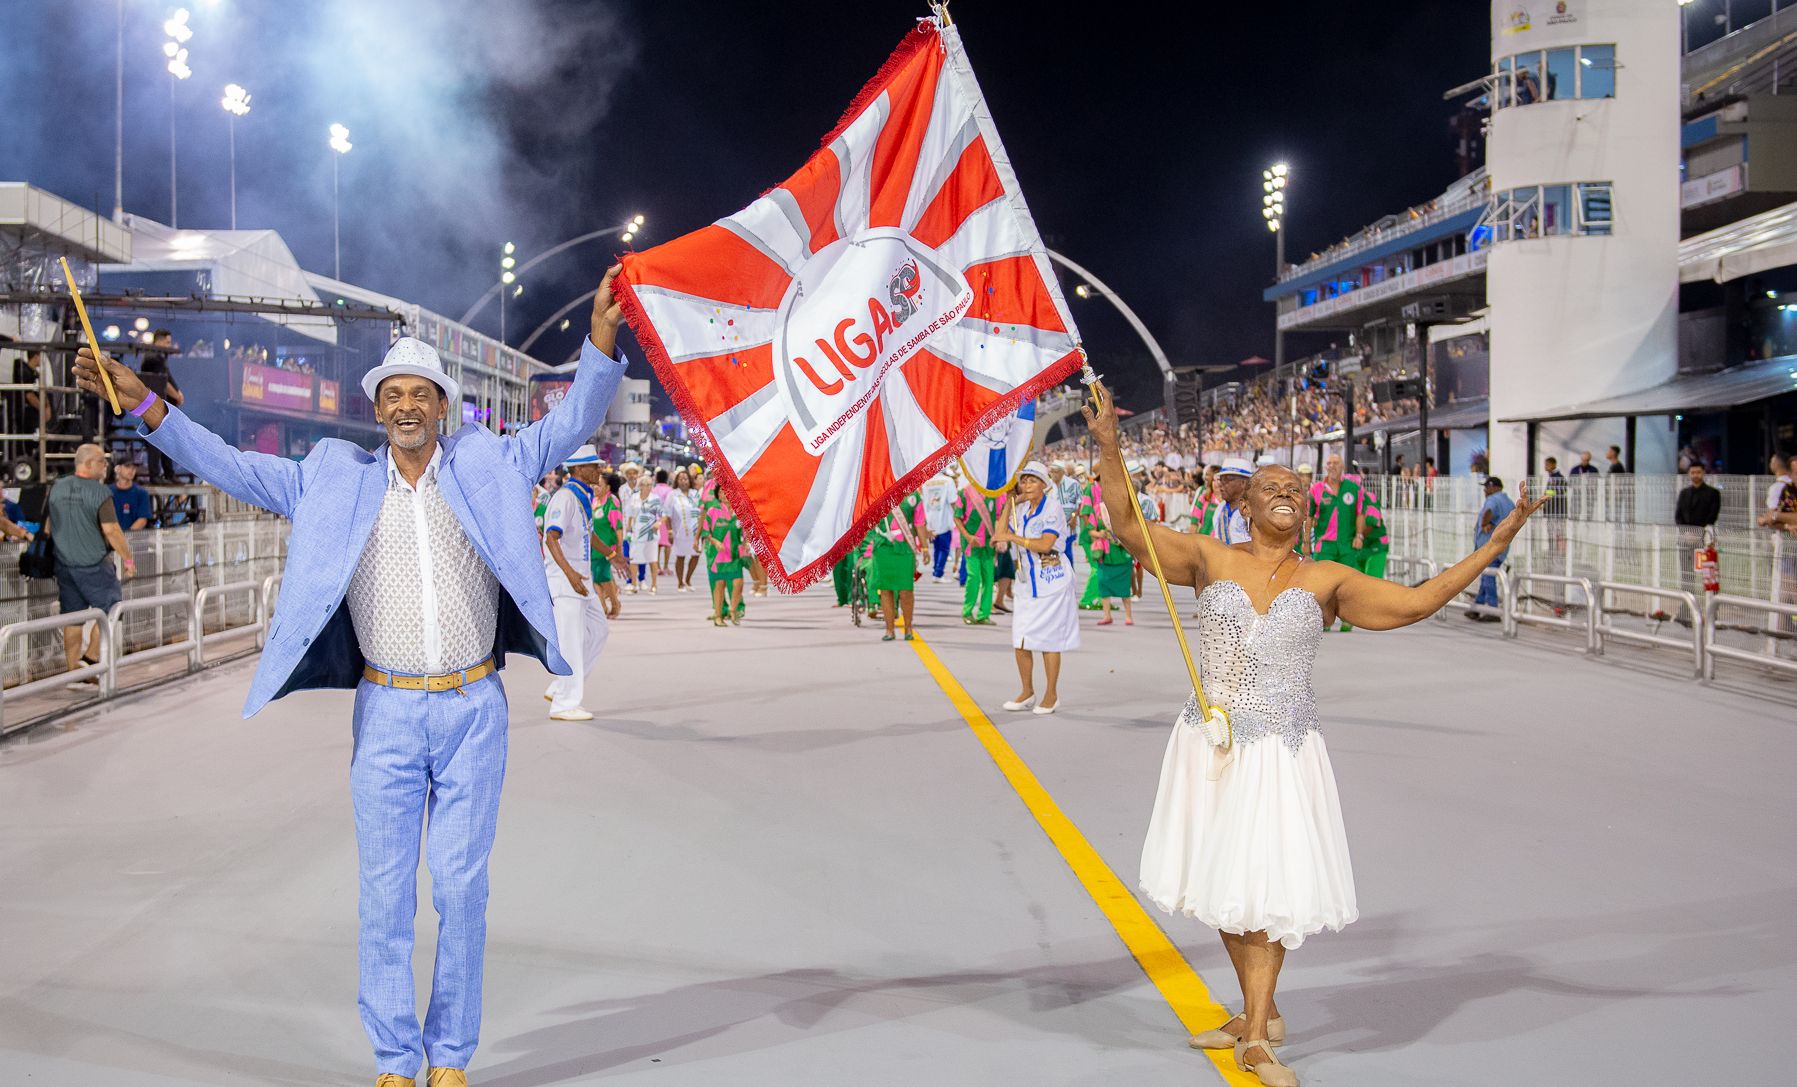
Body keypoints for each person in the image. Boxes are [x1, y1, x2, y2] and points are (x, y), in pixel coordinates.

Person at [74, 267, 628, 1087]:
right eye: (392, 394)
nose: (407, 405)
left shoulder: (493, 464)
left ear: (443, 405)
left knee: (464, 890)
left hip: (475, 706)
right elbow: (225, 463)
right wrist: (146, 406)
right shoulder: (331, 478)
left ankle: (450, 1056)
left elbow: (573, 417)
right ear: (378, 409)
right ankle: (397, 1060)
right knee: (384, 898)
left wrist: (602, 344)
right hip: (388, 711)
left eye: (421, 393)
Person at [1079, 380, 1545, 1087]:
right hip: (1208, 747)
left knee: (1265, 890)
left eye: (1296, 486)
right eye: (1271, 483)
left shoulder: (1328, 578)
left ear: (1307, 507)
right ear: (1244, 503)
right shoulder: (1209, 558)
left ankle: (1261, 1039)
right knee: (1220, 883)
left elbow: (1418, 602)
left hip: (1282, 752)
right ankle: (1254, 1013)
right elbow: (1125, 527)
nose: (1287, 491)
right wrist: (1109, 446)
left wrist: (1495, 542)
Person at [994, 462, 1078, 714]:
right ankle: (1027, 691)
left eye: (1032, 480)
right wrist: (1010, 503)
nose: (1027, 485)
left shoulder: (1052, 508)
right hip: (1027, 582)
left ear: (1044, 484)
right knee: (1020, 639)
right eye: (1024, 480)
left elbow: (1045, 544)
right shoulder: (1021, 509)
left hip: (1051, 581)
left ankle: (1051, 695)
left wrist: (1013, 538)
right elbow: (999, 534)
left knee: (1048, 641)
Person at [48, 444, 135, 675]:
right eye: (101, 462)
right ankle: (90, 659)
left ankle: (72, 672)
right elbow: (112, 531)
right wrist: (127, 560)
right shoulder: (100, 493)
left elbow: (49, 527)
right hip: (94, 564)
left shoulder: (56, 488)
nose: (105, 466)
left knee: (73, 618)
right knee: (112, 609)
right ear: (88, 464)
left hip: (64, 565)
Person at [543, 446, 610, 721]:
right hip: (566, 580)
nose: (599, 470)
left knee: (599, 630)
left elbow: (589, 534)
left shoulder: (583, 496)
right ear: (579, 469)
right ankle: (564, 703)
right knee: (570, 640)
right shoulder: (565, 497)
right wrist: (570, 574)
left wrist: (613, 556)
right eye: (594, 466)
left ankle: (561, 685)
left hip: (582, 578)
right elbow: (551, 536)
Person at [1308, 454, 1372, 632]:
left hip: (1347, 545)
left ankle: (1347, 619)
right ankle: (1325, 618)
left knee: (1348, 586)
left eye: (1336, 463)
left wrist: (1359, 536)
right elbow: (1309, 516)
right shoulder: (1317, 489)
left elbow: (1361, 512)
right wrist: (1306, 541)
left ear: (1342, 466)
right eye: (1329, 463)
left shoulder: (1354, 488)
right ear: (1325, 467)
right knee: (1323, 585)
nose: (1332, 466)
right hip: (1325, 545)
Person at [868, 493, 923, 641]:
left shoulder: (913, 495)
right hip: (883, 547)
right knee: (886, 589)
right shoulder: (877, 492)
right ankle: (889, 629)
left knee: (906, 590)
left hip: (905, 548)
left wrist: (924, 548)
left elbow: (919, 522)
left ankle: (908, 628)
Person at [1674, 462, 1721, 617]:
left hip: (1704, 542)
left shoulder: (1713, 493)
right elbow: (1678, 515)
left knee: (1708, 575)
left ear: (1703, 473)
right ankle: (1687, 609)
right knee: (1687, 575)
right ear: (1689, 474)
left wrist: (1698, 533)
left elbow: (1712, 516)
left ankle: (1711, 611)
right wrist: (1687, 533)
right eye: (1692, 472)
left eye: (1698, 472)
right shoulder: (1684, 493)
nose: (1695, 475)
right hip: (1685, 541)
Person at [1469, 476, 1516, 619]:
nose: (1484, 490)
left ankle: (1493, 609)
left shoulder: (1493, 500)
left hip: (1489, 547)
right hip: (1502, 547)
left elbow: (1488, 511)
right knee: (1486, 576)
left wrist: (1484, 524)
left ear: (1493, 487)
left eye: (1486, 487)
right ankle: (1477, 606)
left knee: (1488, 578)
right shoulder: (1509, 502)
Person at [955, 480, 998, 625]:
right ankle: (967, 612)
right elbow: (957, 517)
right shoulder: (965, 492)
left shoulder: (994, 493)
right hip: (971, 545)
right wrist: (967, 536)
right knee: (974, 577)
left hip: (988, 544)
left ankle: (983, 614)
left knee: (989, 579)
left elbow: (999, 517)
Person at [137, 352, 185, 483]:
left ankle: (167, 473)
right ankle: (156, 475)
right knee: (157, 436)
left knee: (165, 437)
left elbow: (167, 380)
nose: (169, 345)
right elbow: (163, 381)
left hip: (157, 403)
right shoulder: (153, 358)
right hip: (153, 403)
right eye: (167, 341)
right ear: (161, 340)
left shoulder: (160, 359)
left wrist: (177, 393)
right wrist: (177, 395)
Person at [701, 489, 746, 625]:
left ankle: (733, 609)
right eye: (721, 492)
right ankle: (718, 616)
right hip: (717, 555)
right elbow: (705, 532)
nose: (725, 494)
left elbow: (746, 531)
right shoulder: (712, 511)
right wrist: (715, 542)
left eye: (727, 491)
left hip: (734, 554)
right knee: (719, 585)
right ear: (718, 495)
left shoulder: (739, 512)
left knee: (738, 582)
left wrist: (746, 542)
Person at [589, 470, 627, 620]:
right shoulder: (593, 500)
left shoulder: (612, 502)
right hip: (594, 546)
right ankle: (602, 606)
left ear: (607, 488)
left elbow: (618, 527)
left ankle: (615, 603)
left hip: (608, 547)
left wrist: (619, 548)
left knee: (603, 576)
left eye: (599, 485)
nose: (595, 487)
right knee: (596, 577)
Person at [664, 467, 699, 591]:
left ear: (689, 480)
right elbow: (667, 514)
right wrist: (669, 531)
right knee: (681, 556)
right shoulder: (672, 495)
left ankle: (688, 579)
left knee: (696, 555)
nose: (683, 481)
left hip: (695, 531)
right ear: (677, 481)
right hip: (679, 531)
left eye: (685, 478)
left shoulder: (695, 494)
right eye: (680, 479)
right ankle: (680, 583)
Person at [629, 473, 662, 594]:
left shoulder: (655, 499)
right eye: (644, 484)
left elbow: (663, 515)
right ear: (640, 485)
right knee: (634, 558)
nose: (647, 487)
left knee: (652, 559)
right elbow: (630, 515)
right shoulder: (634, 497)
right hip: (637, 532)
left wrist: (658, 523)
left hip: (651, 534)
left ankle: (654, 585)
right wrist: (628, 530)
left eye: (649, 484)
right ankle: (634, 584)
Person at [1209, 458, 1253, 546]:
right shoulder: (1220, 508)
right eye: (1221, 479)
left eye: (1226, 480)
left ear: (1243, 483)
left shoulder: (1254, 510)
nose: (1220, 484)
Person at [111, 460, 154, 530]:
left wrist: (127, 536)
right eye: (127, 467)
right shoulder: (108, 492)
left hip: (133, 537)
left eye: (133, 468)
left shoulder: (141, 493)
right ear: (118, 469)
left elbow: (142, 519)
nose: (131, 470)